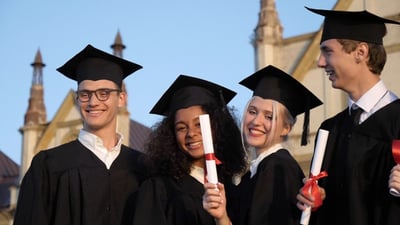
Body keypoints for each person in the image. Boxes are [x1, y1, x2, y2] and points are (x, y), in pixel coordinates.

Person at [13, 44, 155, 225]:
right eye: (85, 94)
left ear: (121, 99)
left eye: (104, 93)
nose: (93, 102)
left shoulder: (144, 168)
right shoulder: (48, 165)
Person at [296, 7, 400, 225]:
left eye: (328, 51)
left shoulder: (398, 120)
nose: (320, 62)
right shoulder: (330, 130)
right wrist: (317, 201)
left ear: (360, 53)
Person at [203, 65, 323, 225]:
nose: (256, 121)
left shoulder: (276, 168)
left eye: (269, 116)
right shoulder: (255, 172)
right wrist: (221, 216)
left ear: (286, 128)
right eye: (252, 111)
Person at [132, 74, 247, 225]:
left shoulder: (231, 191)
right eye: (181, 128)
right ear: (171, 135)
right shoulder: (158, 189)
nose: (191, 133)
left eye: (199, 124)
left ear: (217, 127)